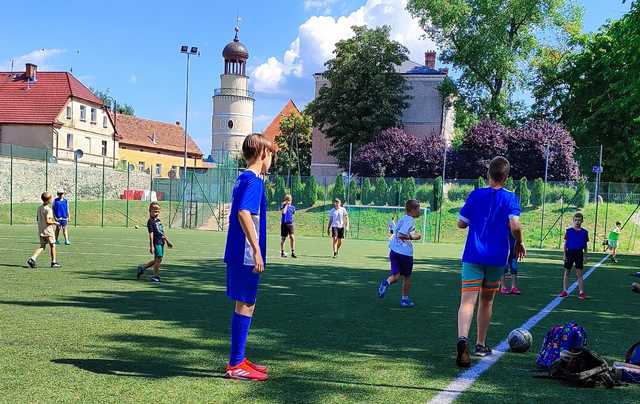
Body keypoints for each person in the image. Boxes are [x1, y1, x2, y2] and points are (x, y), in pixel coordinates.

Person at [455, 156, 525, 368]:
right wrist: (519, 242)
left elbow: (460, 223)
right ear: (506, 177)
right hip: (496, 259)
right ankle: (480, 344)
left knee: (467, 301)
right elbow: (515, 226)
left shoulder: (476, 195)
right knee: (486, 301)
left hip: (472, 256)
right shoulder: (511, 198)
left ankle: (462, 340)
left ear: (488, 174)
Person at [223, 134, 275, 381]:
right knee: (247, 302)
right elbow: (244, 213)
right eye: (272, 154)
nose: (272, 159)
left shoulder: (242, 178)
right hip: (244, 253)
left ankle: (239, 359)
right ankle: (236, 364)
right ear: (263, 153)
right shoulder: (254, 180)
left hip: (237, 251)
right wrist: (256, 250)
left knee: (244, 302)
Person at [378, 200, 422, 308]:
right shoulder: (410, 220)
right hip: (405, 253)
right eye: (418, 209)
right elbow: (402, 235)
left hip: (394, 251)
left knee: (396, 276)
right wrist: (414, 236)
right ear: (412, 210)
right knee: (407, 277)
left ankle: (386, 282)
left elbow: (395, 232)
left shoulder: (402, 219)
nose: (419, 211)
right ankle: (404, 300)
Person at [136, 202, 173, 283]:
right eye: (155, 211)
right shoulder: (150, 222)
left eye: (158, 211)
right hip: (156, 242)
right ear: (150, 211)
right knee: (158, 259)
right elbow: (151, 235)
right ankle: (155, 276)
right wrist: (151, 246)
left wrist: (167, 241)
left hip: (162, 242)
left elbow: (161, 232)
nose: (156, 213)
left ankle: (142, 268)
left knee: (158, 260)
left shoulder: (158, 221)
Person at [26, 192, 61, 269]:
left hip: (41, 230)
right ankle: (54, 262)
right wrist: (55, 222)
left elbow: (38, 219)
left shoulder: (39, 208)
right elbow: (48, 221)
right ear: (49, 200)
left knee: (42, 246)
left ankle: (32, 259)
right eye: (51, 198)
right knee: (52, 245)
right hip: (48, 231)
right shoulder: (48, 209)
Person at [559, 212, 589, 300]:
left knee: (579, 273)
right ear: (573, 220)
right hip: (570, 253)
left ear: (582, 221)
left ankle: (581, 292)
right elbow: (565, 244)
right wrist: (564, 255)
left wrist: (585, 256)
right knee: (567, 272)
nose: (577, 222)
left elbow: (585, 245)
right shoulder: (569, 231)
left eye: (579, 220)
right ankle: (564, 291)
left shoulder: (584, 232)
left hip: (579, 253)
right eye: (576, 220)